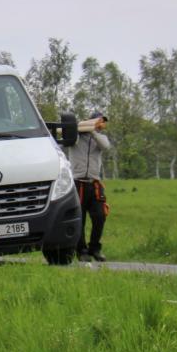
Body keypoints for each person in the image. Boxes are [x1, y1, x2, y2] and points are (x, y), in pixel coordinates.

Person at [68, 112, 111, 262]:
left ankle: (95, 248)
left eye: (102, 122)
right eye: (98, 121)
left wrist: (93, 131)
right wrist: (81, 128)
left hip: (95, 183)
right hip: (78, 182)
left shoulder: (100, 138)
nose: (101, 124)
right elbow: (65, 141)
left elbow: (106, 146)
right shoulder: (76, 137)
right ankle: (81, 251)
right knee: (79, 218)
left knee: (100, 216)